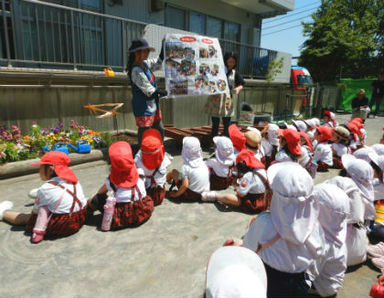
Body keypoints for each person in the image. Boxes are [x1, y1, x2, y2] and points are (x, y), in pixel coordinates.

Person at [241, 162, 325, 297]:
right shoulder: (314, 226)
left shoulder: (264, 222)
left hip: (268, 280)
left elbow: (248, 249)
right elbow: (319, 253)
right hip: (298, 283)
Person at [0, 151, 87, 243]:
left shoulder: (46, 188)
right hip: (78, 219)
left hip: (61, 225)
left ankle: (3, 212)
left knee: (26, 217)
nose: (39, 171)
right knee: (50, 197)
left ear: (50, 169)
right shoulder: (74, 181)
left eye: (41, 167)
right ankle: (45, 197)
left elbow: (35, 213)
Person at [87, 141, 154, 229]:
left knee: (94, 199)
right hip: (142, 211)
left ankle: (87, 214)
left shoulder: (111, 181)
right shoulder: (140, 172)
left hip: (124, 216)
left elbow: (100, 193)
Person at [307, 184, 349, 297]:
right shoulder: (336, 228)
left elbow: (309, 274)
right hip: (331, 283)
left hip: (321, 287)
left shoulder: (322, 241)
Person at [201, 150, 270, 214]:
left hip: (254, 204)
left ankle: (216, 196)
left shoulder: (249, 176)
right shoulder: (261, 170)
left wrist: (237, 188)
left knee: (233, 199)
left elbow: (240, 194)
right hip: (264, 201)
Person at [127, 38, 167, 146]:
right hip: (143, 105)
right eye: (145, 51)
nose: (147, 53)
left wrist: (164, 47)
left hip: (153, 103)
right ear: (137, 53)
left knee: (159, 128)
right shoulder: (135, 70)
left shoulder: (145, 64)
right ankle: (143, 153)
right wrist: (163, 92)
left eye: (147, 51)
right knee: (145, 131)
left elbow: (158, 62)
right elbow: (149, 90)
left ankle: (159, 150)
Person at [326, 176, 368, 267]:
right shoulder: (358, 202)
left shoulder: (333, 207)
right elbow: (357, 217)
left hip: (335, 259)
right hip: (358, 256)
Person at [210, 52, 245, 138]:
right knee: (215, 120)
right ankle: (214, 138)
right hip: (216, 98)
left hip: (228, 99)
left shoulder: (234, 73)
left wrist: (238, 88)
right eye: (229, 62)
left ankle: (226, 137)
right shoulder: (219, 70)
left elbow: (242, 83)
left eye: (233, 62)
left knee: (227, 120)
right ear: (225, 61)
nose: (231, 64)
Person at [134, 129, 172, 206]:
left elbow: (134, 165)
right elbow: (169, 160)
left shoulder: (138, 160)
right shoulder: (164, 159)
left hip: (145, 192)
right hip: (158, 195)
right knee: (170, 172)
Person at [166, 137, 210, 201]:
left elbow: (185, 185)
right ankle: (175, 179)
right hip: (203, 192)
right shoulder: (203, 162)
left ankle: (167, 180)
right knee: (182, 174)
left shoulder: (185, 167)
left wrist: (175, 194)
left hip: (191, 195)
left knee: (173, 172)